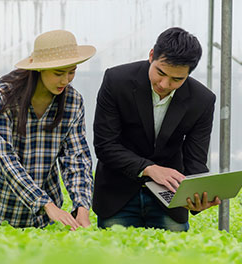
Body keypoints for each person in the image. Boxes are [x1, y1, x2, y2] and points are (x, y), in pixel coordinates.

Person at [92, 27, 221, 232]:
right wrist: (151, 169)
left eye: (177, 79)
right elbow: (105, 145)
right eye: (160, 72)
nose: (164, 84)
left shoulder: (202, 100)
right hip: (117, 196)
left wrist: (198, 195)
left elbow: (195, 161)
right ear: (151, 55)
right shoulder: (116, 81)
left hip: (169, 203)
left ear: (189, 73)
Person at [0, 30, 96, 230]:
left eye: (71, 71)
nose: (66, 80)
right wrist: (46, 204)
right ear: (39, 69)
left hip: (43, 210)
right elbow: (5, 156)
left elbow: (77, 157)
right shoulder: (3, 94)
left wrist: (82, 206)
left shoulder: (73, 102)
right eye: (58, 73)